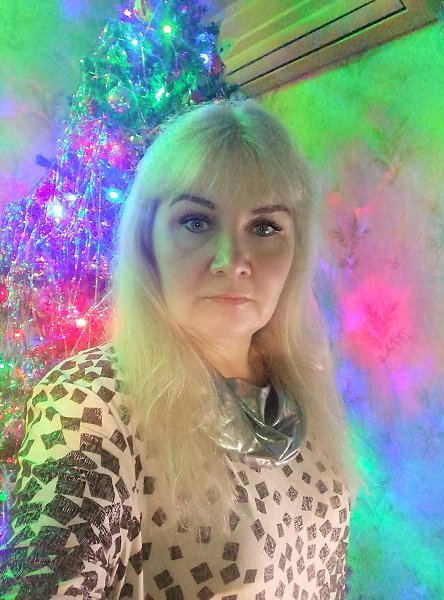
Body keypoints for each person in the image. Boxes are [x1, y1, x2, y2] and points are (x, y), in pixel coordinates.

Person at [0, 99, 359, 599]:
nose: (233, 261)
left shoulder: (305, 388)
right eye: (196, 221)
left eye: (264, 227)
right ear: (148, 241)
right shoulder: (94, 405)